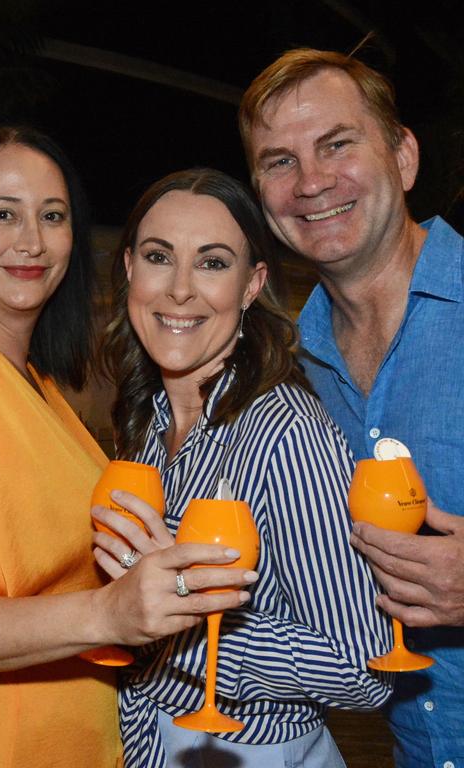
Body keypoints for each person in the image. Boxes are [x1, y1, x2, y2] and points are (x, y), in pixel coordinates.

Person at [0, 126, 256, 768]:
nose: (32, 241)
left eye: (53, 216)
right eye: (3, 214)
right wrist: (106, 614)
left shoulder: (33, 384)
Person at [94, 168, 391, 768]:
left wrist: (183, 620)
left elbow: (363, 666)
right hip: (148, 738)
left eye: (212, 263)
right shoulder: (146, 420)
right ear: (129, 268)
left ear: (252, 285)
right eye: (159, 257)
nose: (179, 290)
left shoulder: (283, 431)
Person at [240, 47, 464, 767]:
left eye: (337, 145)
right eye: (279, 161)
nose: (311, 182)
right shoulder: (289, 367)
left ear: (403, 157)